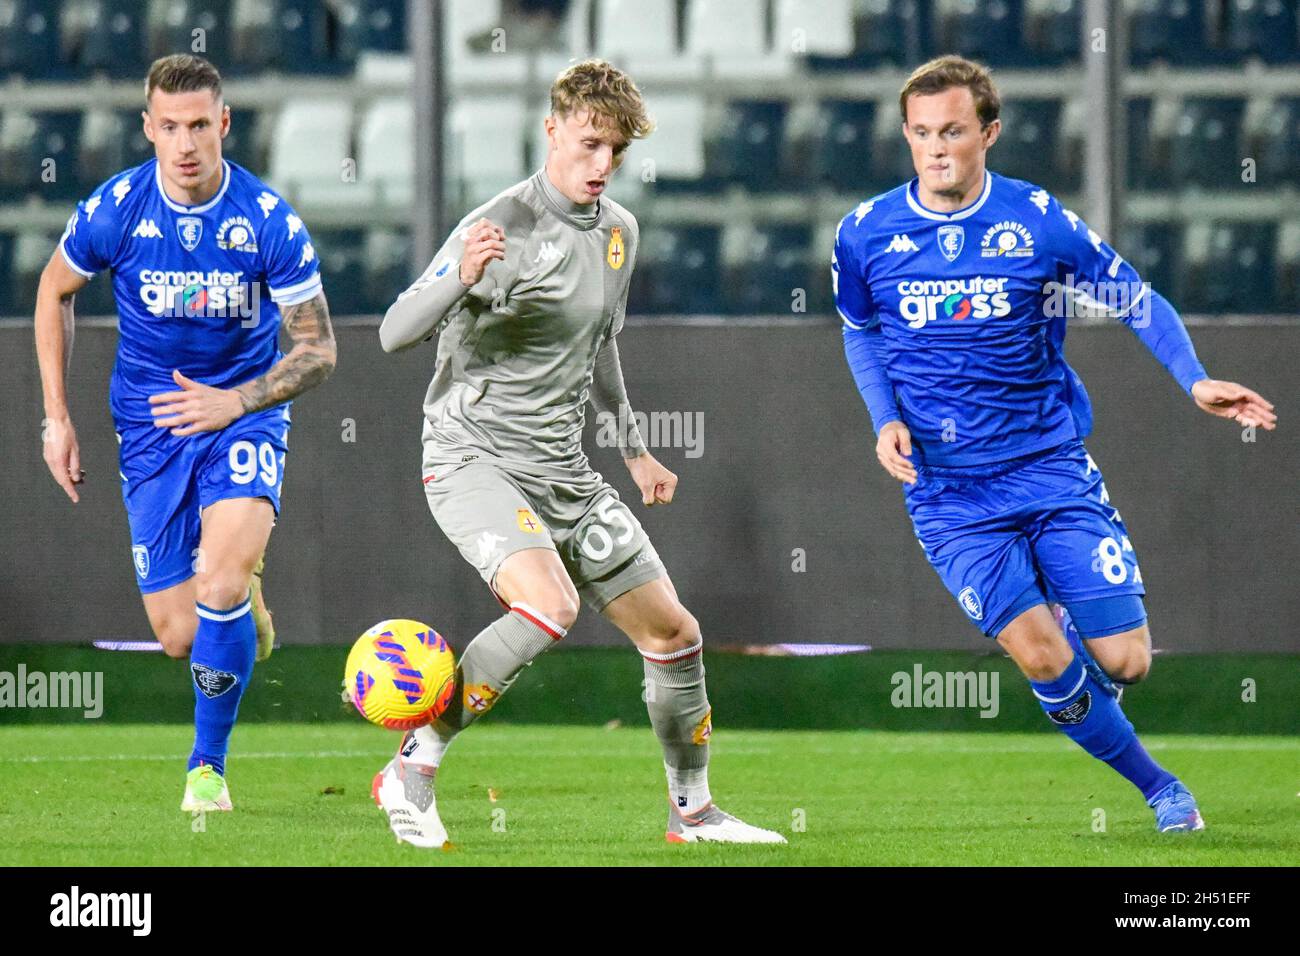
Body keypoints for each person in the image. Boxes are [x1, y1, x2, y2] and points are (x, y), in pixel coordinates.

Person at [834, 55, 1277, 832]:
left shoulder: (1036, 221)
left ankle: (1079, 632)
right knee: (1043, 661)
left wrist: (1195, 378)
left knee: (1126, 663)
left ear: (989, 132)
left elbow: (1134, 297)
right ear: (906, 136)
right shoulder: (865, 234)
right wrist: (884, 418)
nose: (936, 148)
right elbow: (861, 334)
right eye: (921, 133)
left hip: (1049, 468)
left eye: (954, 132)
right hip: (948, 494)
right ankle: (1161, 789)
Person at [376, 58, 784, 847]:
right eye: (591, 144)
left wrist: (634, 453)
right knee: (549, 605)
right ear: (552, 129)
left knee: (675, 635)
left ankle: (692, 813)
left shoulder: (620, 233)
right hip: (472, 456)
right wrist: (459, 278)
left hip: (565, 470)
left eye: (617, 151)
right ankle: (412, 765)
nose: (603, 165)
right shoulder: (496, 226)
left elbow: (601, 349)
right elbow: (396, 333)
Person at [33, 54, 336, 812]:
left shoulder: (267, 221)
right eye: (169, 127)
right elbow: (53, 290)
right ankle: (244, 607)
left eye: (200, 124)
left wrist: (234, 403)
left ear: (224, 123)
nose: (186, 143)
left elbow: (319, 349)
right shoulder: (118, 208)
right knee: (179, 635)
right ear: (148, 130)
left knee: (220, 581)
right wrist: (57, 418)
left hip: (244, 414)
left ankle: (208, 768)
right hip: (151, 427)